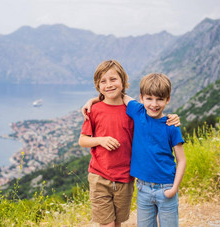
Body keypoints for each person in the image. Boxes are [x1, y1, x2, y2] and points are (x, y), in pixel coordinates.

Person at [79, 60, 180, 227]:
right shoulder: (94, 110)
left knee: (118, 222)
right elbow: (82, 140)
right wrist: (100, 140)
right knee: (107, 224)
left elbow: (154, 112)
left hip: (125, 178)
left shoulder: (133, 111)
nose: (109, 84)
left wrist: (173, 117)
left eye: (113, 79)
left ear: (123, 81)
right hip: (99, 176)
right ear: (97, 85)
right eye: (103, 81)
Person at [123, 73, 186, 227]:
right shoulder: (137, 112)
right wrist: (91, 101)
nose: (154, 104)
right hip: (143, 188)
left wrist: (174, 189)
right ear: (141, 98)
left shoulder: (171, 126)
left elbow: (182, 160)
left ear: (167, 99)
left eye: (160, 99)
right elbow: (119, 94)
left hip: (166, 188)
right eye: (149, 99)